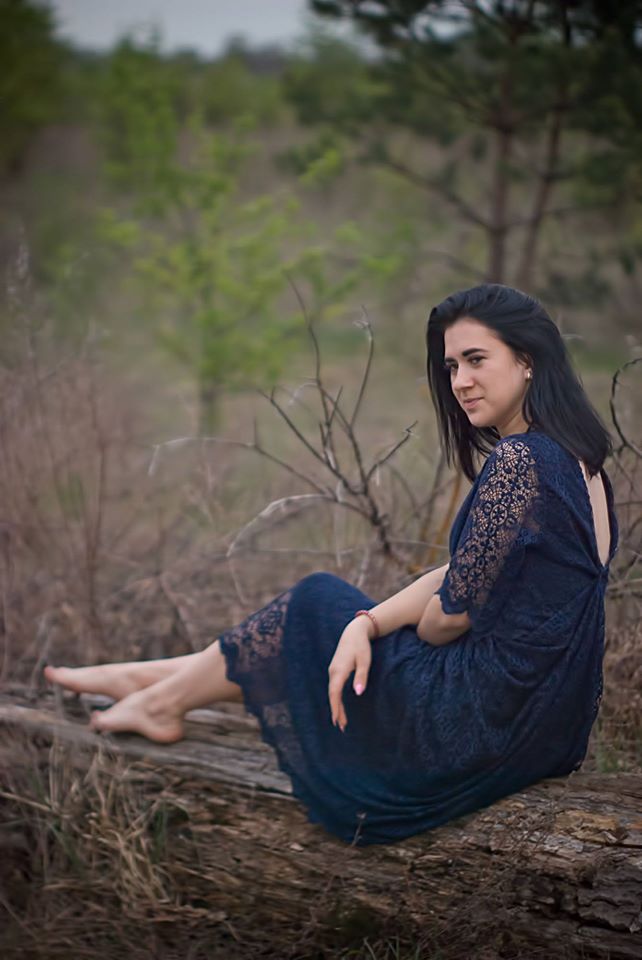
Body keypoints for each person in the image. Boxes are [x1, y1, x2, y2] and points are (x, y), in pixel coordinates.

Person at [44, 283, 618, 847]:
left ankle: (163, 699)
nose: (460, 382)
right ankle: (152, 680)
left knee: (316, 602)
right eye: (450, 366)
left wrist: (383, 624)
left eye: (475, 360)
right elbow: (464, 575)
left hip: (481, 722)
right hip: (545, 724)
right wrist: (366, 623)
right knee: (338, 620)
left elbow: (446, 620)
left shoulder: (520, 461)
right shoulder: (579, 459)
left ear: (527, 361)